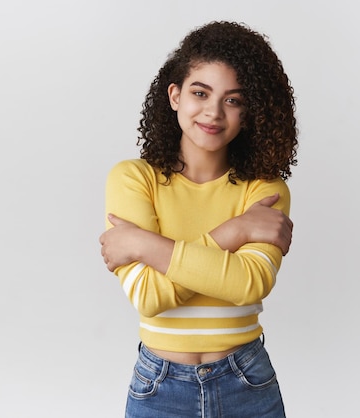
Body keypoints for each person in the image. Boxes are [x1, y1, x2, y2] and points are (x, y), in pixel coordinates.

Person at [99, 21, 298, 417]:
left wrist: (143, 243)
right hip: (159, 386)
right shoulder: (134, 178)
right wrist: (235, 230)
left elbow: (249, 283)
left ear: (250, 111)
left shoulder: (264, 189)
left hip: (247, 382)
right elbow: (149, 297)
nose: (213, 112)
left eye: (233, 100)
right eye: (200, 93)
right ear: (175, 95)